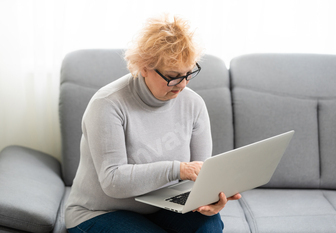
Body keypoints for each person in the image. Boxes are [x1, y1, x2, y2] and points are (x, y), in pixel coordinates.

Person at [65, 14, 241, 233]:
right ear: (144, 67)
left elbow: (200, 174)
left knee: (208, 225)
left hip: (162, 208)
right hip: (99, 212)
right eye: (173, 76)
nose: (182, 85)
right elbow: (113, 182)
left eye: (188, 74)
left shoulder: (193, 104)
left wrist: (209, 198)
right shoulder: (108, 104)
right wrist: (178, 170)